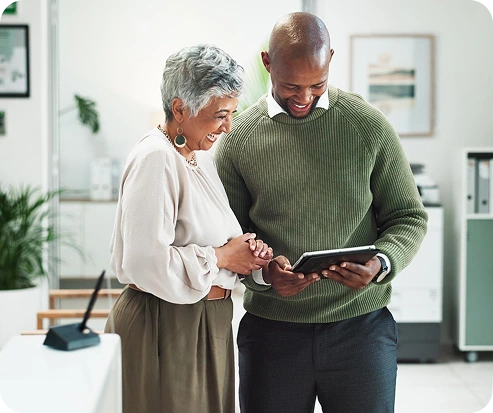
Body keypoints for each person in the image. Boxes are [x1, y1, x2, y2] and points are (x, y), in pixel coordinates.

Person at [214, 12, 428, 413]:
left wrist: (381, 263)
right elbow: (229, 237)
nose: (304, 97)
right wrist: (264, 274)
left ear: (330, 59)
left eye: (317, 84)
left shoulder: (366, 126)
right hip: (271, 335)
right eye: (290, 85)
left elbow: (408, 216)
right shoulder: (237, 140)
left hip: (361, 333)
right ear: (267, 63)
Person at [104, 44, 273, 413]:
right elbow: (145, 262)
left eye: (231, 113)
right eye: (219, 115)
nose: (227, 127)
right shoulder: (157, 159)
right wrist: (224, 256)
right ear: (180, 109)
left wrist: (245, 255)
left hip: (204, 325)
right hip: (165, 326)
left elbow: (207, 237)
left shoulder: (196, 157)